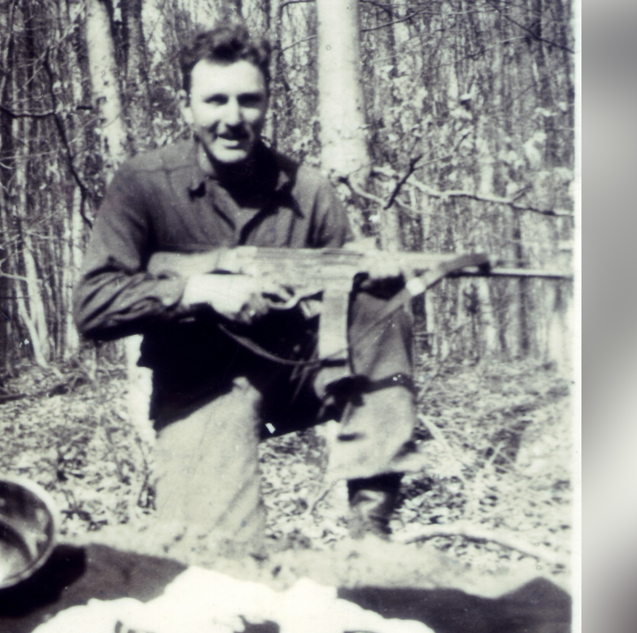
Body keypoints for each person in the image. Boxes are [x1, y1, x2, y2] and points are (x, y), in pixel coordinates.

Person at [74, 26, 416, 545]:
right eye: (215, 100)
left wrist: (368, 269)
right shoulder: (143, 183)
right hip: (201, 386)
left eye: (248, 101)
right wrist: (197, 291)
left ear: (267, 104)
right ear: (187, 106)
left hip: (297, 372)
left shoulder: (308, 189)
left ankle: (371, 528)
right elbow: (93, 306)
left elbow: (349, 289)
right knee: (218, 564)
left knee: (381, 299)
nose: (232, 119)